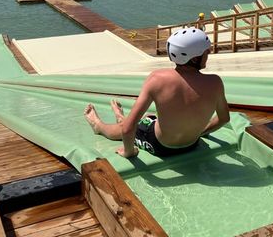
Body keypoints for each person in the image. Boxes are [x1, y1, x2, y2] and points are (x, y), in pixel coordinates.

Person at [84, 27, 230, 158]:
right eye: (207, 51)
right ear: (195, 58)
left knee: (127, 126)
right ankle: (120, 117)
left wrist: (129, 152)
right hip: (192, 144)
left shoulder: (157, 79)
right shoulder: (215, 83)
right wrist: (198, 132)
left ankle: (99, 126)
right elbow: (224, 119)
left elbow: (128, 129)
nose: (209, 53)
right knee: (149, 118)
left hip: (160, 147)